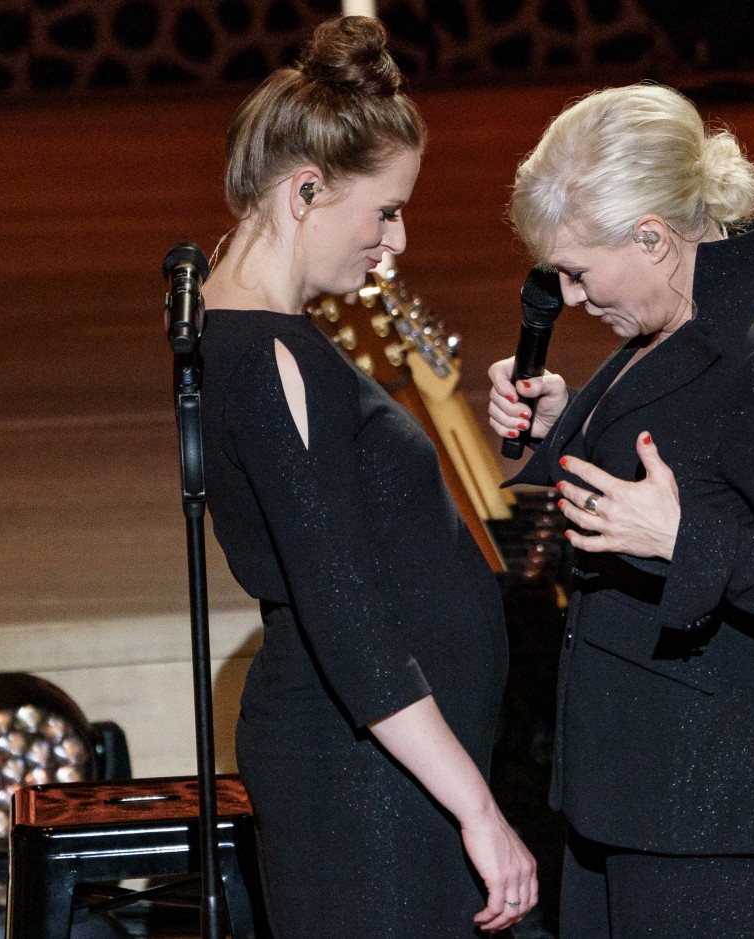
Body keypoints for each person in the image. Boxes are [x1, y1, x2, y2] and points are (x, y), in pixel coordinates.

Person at [487, 83, 754, 938]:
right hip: (629, 795)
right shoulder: (675, 326)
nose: (573, 295)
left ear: (655, 237)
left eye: (580, 270)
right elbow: (688, 456)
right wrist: (569, 424)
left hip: (714, 813)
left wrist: (679, 539)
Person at [198, 16, 536, 938]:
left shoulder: (240, 320)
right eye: (383, 209)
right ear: (306, 190)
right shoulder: (270, 358)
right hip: (364, 787)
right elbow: (345, 619)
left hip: (382, 775)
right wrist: (480, 811)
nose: (394, 240)